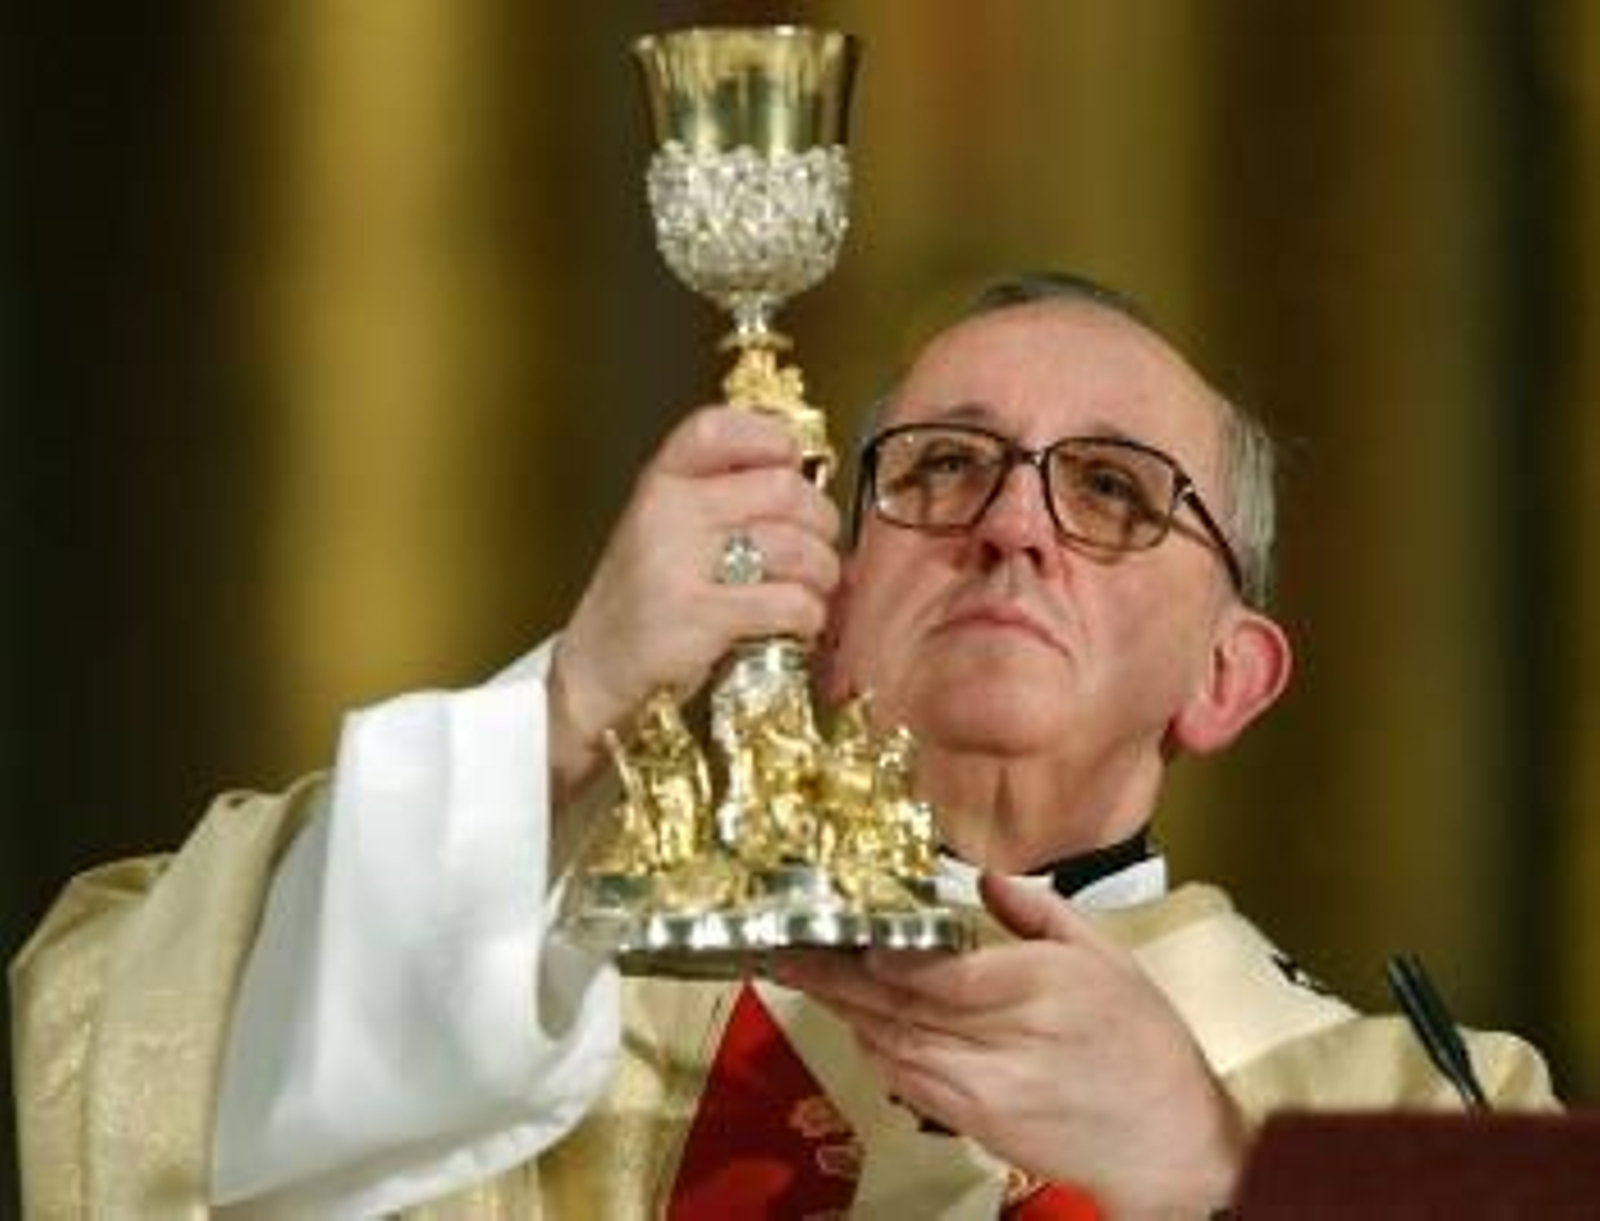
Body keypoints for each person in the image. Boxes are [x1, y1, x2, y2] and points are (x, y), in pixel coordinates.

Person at [11, 273, 1555, 1219]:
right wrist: (564, 709)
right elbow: (107, 1061)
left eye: (1113, 491)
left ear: (1230, 677)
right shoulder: (548, 995)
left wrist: (1211, 1169)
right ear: (825, 605)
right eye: (942, 470)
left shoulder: (1420, 1111)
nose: (1014, 524)